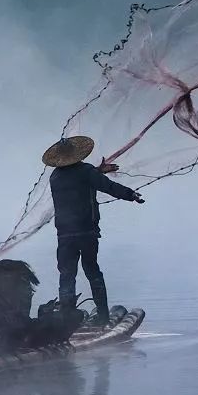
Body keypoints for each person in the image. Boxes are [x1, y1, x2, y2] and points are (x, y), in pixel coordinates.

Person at [42, 136, 144, 327]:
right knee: (92, 271)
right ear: (77, 154)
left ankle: (67, 319)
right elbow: (108, 187)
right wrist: (131, 194)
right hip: (86, 232)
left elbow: (76, 179)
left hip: (64, 235)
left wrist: (97, 171)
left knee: (66, 275)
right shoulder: (86, 171)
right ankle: (103, 317)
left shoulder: (55, 177)